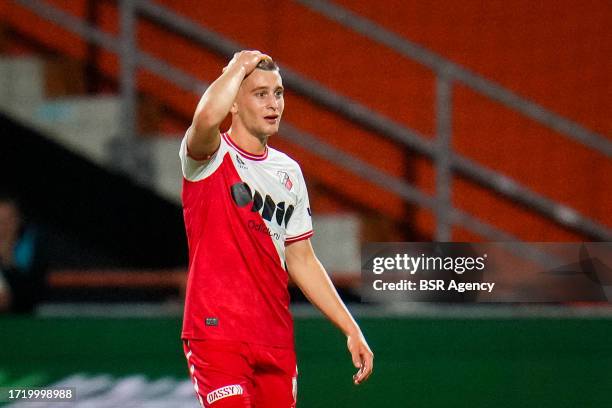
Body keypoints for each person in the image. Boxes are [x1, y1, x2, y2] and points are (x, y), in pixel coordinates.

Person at [179, 50, 373, 407]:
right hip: (217, 333)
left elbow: (302, 259)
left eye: (278, 93)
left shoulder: (290, 173)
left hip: (274, 339)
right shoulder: (209, 157)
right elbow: (205, 117)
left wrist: (351, 328)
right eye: (260, 93)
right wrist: (237, 67)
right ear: (233, 104)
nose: (274, 104)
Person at [0, 194, 46, 313]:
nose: (4, 227)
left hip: (23, 320)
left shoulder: (31, 247)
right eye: (0, 221)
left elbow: (32, 297)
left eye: (9, 220)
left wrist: (7, 261)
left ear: (19, 220)